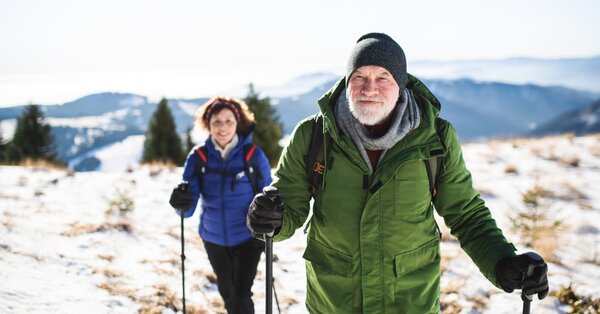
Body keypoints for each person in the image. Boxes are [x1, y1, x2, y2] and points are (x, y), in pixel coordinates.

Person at [247, 33, 549, 313]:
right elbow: (289, 205)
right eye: (360, 76)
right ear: (347, 80)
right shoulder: (314, 135)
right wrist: (270, 219)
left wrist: (502, 261)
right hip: (334, 300)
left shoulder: (436, 138)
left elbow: (465, 213)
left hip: (410, 300)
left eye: (383, 77)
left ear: (401, 84)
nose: (369, 88)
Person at [169, 96, 272, 314]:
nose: (223, 127)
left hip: (248, 237)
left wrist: (270, 216)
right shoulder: (198, 157)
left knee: (242, 293)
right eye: (216, 121)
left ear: (238, 123)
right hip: (213, 238)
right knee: (227, 293)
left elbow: (268, 195)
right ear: (208, 124)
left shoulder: (253, 156)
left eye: (228, 121)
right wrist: (181, 202)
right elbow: (187, 209)